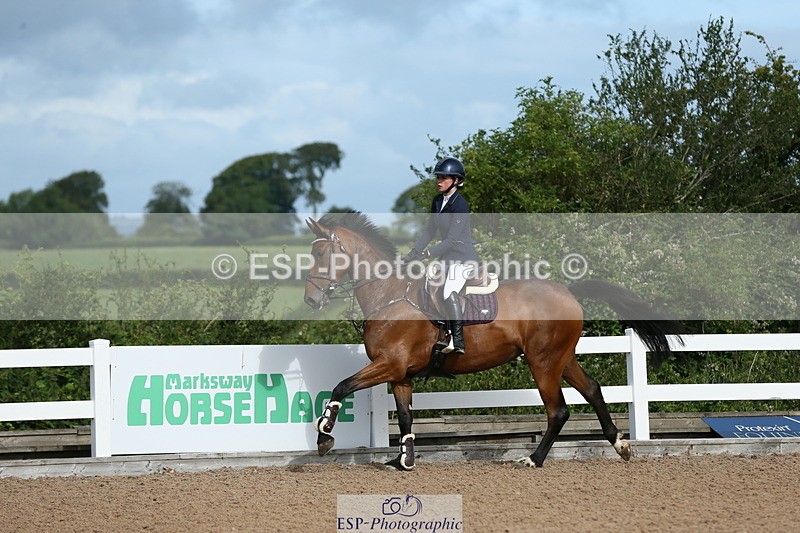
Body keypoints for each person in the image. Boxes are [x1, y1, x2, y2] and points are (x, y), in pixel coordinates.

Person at [404, 156, 479, 354]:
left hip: (463, 259)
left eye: (444, 178)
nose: (439, 181)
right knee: (426, 284)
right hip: (447, 259)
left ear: (456, 180)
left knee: (448, 291)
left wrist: (428, 253)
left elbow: (452, 240)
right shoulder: (438, 201)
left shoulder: (460, 205)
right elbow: (429, 231)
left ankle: (457, 340)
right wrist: (413, 253)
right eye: (438, 177)